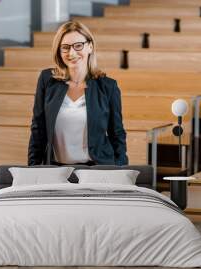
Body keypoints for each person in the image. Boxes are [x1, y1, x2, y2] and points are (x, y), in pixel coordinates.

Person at [28, 21, 128, 166]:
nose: (72, 53)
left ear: (90, 46)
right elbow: (38, 129)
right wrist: (32, 169)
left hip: (97, 168)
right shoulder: (47, 80)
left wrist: (121, 172)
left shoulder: (108, 86)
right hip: (56, 169)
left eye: (78, 45)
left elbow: (117, 134)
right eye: (65, 47)